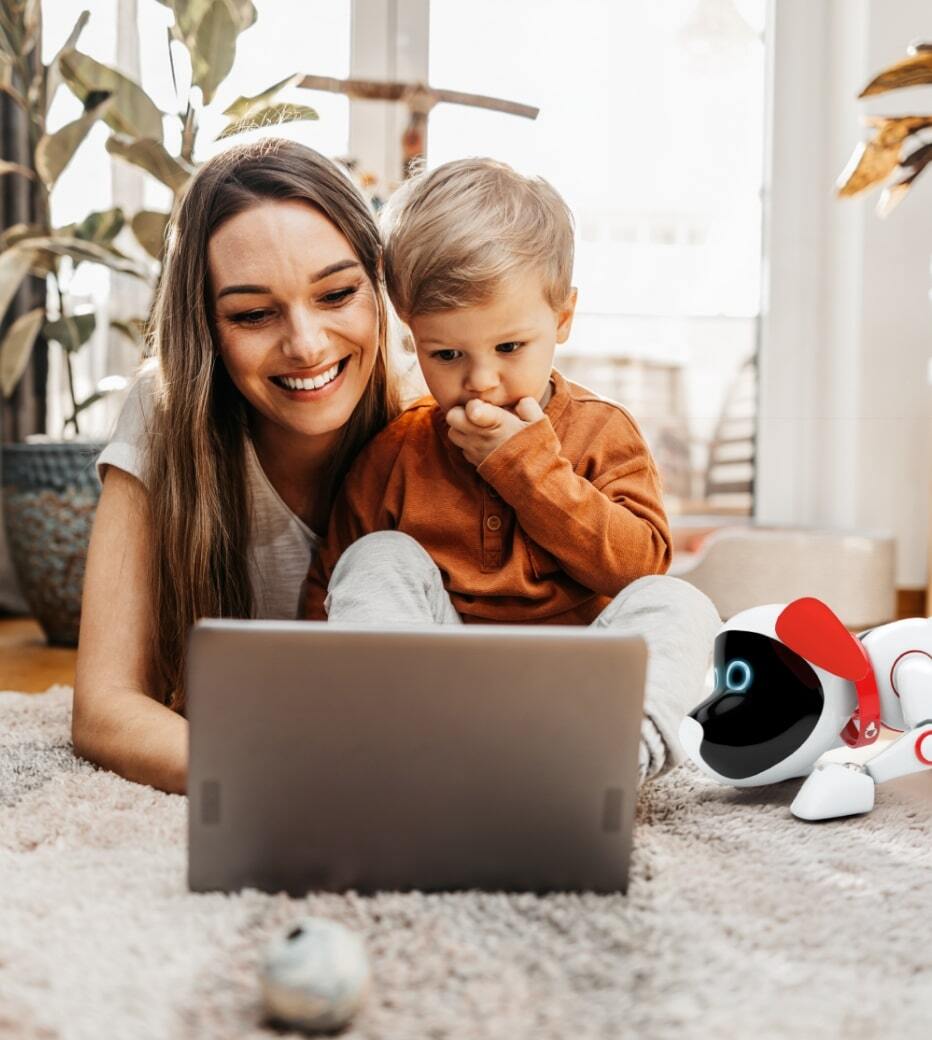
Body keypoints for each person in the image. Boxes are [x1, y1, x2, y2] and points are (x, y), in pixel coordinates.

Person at [305, 158, 720, 783]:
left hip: (579, 698)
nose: (481, 380)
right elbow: (333, 589)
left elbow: (638, 567)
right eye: (447, 354)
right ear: (412, 337)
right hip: (438, 698)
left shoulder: (603, 432)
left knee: (679, 603)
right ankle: (394, 745)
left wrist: (527, 469)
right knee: (375, 557)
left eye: (509, 347)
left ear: (563, 319)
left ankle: (604, 765)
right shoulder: (395, 451)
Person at [72, 138, 401, 794]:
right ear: (206, 328)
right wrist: (284, 779)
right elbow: (103, 708)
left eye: (337, 294)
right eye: (253, 314)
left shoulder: (432, 415)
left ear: (379, 285)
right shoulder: (164, 412)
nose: (306, 345)